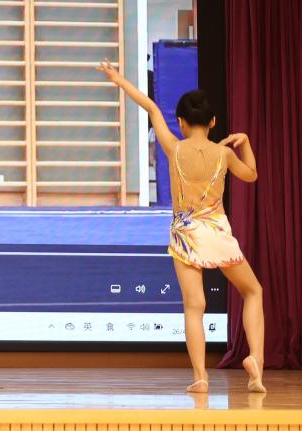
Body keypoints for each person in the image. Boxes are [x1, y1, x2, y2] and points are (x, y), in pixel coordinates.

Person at [98, 61, 266, 393]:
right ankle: (256, 363)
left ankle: (201, 377)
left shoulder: (174, 148)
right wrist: (245, 142)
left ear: (180, 122)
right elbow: (251, 175)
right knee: (253, 291)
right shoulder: (223, 154)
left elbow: (150, 106)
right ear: (213, 122)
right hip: (217, 232)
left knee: (194, 305)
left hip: (186, 234)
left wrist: (118, 79)